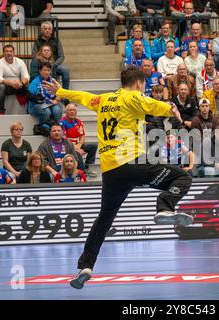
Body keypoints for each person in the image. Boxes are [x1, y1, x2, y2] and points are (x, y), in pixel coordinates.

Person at [42, 66, 194, 289]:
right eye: (143, 85)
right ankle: (164, 205)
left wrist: (62, 92)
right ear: (139, 83)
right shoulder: (134, 97)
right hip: (132, 163)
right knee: (182, 178)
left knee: (105, 218)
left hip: (110, 172)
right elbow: (153, 105)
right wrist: (171, 108)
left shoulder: (104, 99)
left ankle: (86, 265)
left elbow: (84, 97)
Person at [60, 103, 99, 178]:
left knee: (93, 146)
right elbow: (64, 139)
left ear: (76, 112)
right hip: (66, 147)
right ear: (66, 112)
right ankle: (83, 172)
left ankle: (87, 166)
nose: (72, 112)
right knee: (77, 153)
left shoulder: (78, 121)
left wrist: (79, 145)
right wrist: (75, 148)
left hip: (77, 145)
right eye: (70, 110)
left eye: (74, 110)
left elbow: (82, 135)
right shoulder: (62, 122)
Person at [32, 21, 70, 89]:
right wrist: (45, 64)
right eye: (45, 29)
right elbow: (34, 56)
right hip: (42, 65)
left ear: (51, 31)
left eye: (49, 29)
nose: (47, 30)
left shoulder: (56, 40)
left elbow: (61, 56)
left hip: (55, 64)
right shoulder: (37, 42)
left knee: (65, 70)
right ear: (41, 30)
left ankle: (65, 94)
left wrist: (54, 64)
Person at [0, 44, 29, 115]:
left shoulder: (20, 62)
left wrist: (21, 83)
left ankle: (29, 110)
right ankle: (1, 111)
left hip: (18, 86)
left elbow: (26, 76)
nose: (9, 53)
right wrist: (11, 83)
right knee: (0, 86)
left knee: (28, 87)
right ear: (3, 53)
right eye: (6, 51)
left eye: (10, 51)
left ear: (14, 53)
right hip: (6, 87)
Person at [28, 62, 63, 128]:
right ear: (40, 71)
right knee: (47, 112)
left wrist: (56, 100)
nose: (46, 72)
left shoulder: (53, 81)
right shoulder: (35, 82)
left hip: (51, 103)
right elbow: (30, 96)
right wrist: (39, 99)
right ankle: (43, 128)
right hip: (36, 105)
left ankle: (57, 129)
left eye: (48, 70)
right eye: (44, 70)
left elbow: (60, 92)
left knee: (57, 110)